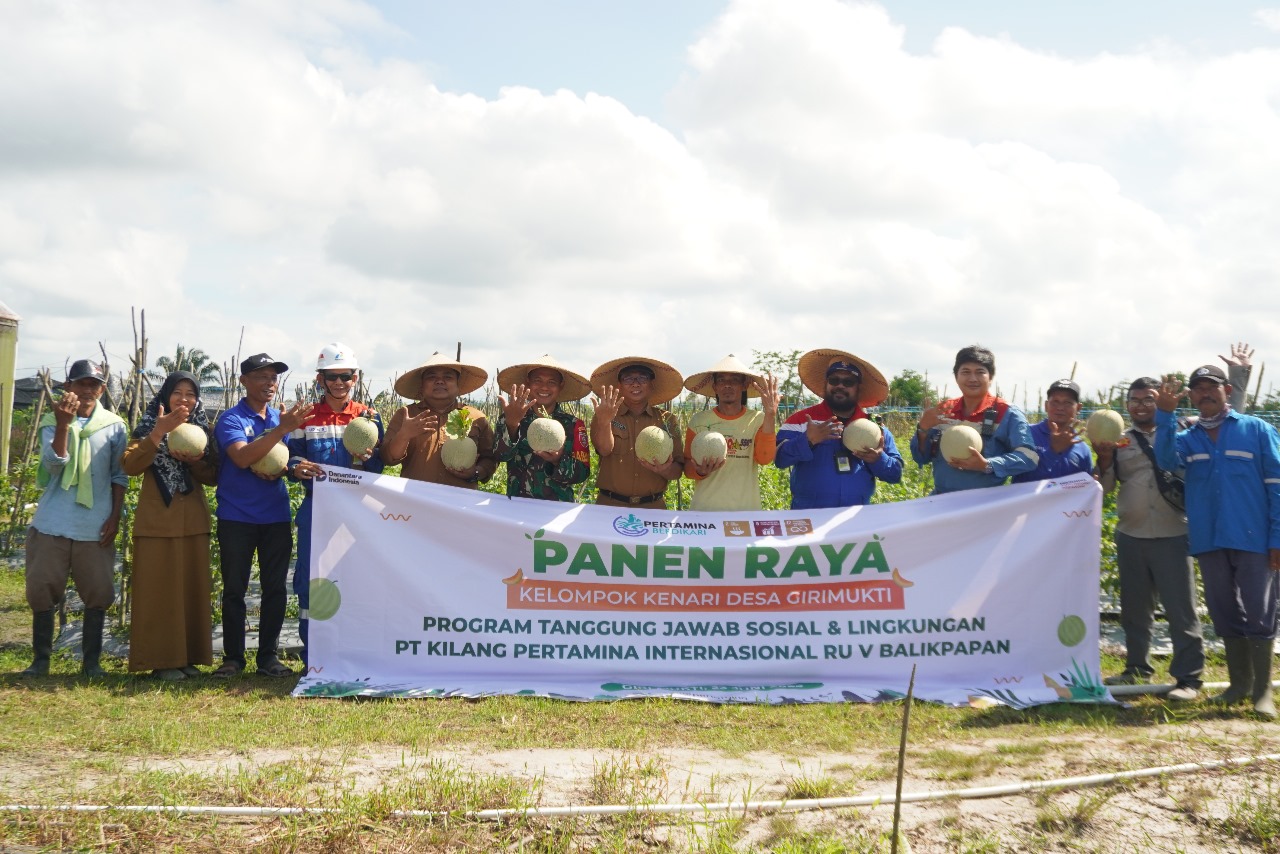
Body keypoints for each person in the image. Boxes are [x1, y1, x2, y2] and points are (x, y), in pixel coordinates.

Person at [1156, 364, 1280, 718]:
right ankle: (1238, 685)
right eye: (1198, 388)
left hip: (1253, 537)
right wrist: (1165, 415)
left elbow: (1277, 484)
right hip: (1210, 538)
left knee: (1260, 611)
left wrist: (1277, 537)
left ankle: (1262, 692)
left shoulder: (1256, 429)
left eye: (1212, 387)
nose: (1206, 393)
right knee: (1223, 610)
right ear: (1192, 396)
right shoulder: (1187, 437)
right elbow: (1165, 460)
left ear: (1227, 390)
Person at [1094, 378, 1202, 701]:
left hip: (1173, 533)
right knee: (1134, 610)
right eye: (1135, 400)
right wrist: (1103, 458)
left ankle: (1189, 678)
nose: (1141, 406)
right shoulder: (1119, 440)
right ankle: (1136, 668)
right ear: (1127, 405)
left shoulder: (1181, 433)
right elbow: (1106, 488)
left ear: (1161, 402)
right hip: (1132, 534)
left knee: (1181, 610)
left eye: (1148, 399)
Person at [20, 359, 127, 677]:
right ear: (68, 386)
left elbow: (119, 476)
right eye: (81, 383)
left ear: (102, 390)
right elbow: (53, 465)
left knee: (98, 591)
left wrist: (115, 517)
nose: (88, 390)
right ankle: (41, 661)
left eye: (94, 384)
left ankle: (91, 663)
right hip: (53, 523)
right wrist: (64, 425)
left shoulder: (114, 426)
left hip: (94, 525)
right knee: (42, 588)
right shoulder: (53, 420)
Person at [212, 353, 312, 678]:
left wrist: (290, 468)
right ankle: (233, 658)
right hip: (236, 516)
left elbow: (290, 459)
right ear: (244, 381)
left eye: (273, 377)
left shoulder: (281, 419)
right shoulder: (231, 419)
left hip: (275, 516)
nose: (269, 383)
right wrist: (280, 429)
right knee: (234, 589)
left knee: (275, 589)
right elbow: (242, 458)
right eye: (261, 377)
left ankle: (268, 657)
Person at [286, 343, 385, 666]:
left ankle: (353, 653)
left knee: (356, 579)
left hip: (358, 512)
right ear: (320, 379)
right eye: (332, 376)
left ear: (355, 378)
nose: (339, 382)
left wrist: (367, 459)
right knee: (311, 580)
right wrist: (295, 467)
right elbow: (291, 457)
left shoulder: (368, 417)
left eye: (345, 376)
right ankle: (315, 655)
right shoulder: (305, 418)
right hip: (317, 508)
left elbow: (378, 468)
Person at [121, 371, 219, 681]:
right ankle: (161, 660)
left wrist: (194, 461)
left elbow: (213, 476)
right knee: (158, 591)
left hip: (193, 520)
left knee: (191, 590)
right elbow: (130, 465)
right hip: (157, 521)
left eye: (191, 393)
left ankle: (188, 657)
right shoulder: (150, 424)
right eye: (177, 392)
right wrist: (158, 433)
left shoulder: (203, 429)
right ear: (166, 395)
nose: (184, 399)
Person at [775, 349, 902, 509]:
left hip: (856, 517)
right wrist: (808, 440)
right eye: (834, 380)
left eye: (848, 382)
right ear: (826, 383)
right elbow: (779, 459)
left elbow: (895, 475)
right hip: (809, 515)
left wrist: (878, 459)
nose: (840, 386)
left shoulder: (874, 428)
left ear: (858, 388)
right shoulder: (802, 420)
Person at [910, 345, 1037, 493]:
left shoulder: (1008, 413)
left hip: (986, 502)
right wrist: (923, 429)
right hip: (942, 498)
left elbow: (1029, 458)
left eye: (980, 372)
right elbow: (920, 458)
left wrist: (987, 465)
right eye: (965, 372)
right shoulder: (944, 410)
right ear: (956, 377)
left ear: (990, 378)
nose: (972, 379)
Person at [381, 352, 496, 488]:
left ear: (458, 385)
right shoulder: (406, 415)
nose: (440, 381)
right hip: (415, 497)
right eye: (431, 377)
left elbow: (491, 457)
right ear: (422, 386)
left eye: (448, 377)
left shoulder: (476, 418)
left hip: (461, 499)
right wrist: (404, 435)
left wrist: (476, 472)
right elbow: (388, 458)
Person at [682, 354, 779, 511]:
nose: (727, 385)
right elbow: (687, 468)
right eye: (721, 380)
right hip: (705, 511)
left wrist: (770, 415)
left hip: (745, 511)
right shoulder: (698, 421)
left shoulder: (758, 419)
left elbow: (764, 458)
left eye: (734, 380)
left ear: (744, 385)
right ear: (715, 386)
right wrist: (699, 471)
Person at [589, 357, 685, 509]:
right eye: (628, 378)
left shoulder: (668, 420)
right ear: (619, 385)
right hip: (610, 506)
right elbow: (604, 450)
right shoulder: (604, 415)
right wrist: (605, 422)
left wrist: (665, 469)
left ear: (652, 384)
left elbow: (677, 471)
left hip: (653, 507)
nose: (635, 383)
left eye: (643, 378)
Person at [494, 355, 591, 501]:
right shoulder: (511, 417)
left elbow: (582, 473)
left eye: (551, 382)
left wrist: (558, 460)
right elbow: (499, 456)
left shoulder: (573, 425)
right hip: (517, 505)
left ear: (561, 386)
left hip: (557, 507)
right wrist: (512, 425)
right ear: (528, 383)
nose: (544, 387)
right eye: (537, 381)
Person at [1010, 379, 1093, 484]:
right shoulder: (1025, 434)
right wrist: (1053, 451)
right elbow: (1019, 474)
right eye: (1055, 402)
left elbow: (1086, 486)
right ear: (1046, 406)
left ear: (1078, 408)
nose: (1060, 408)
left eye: (1067, 403)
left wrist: (1104, 462)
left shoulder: (1083, 449)